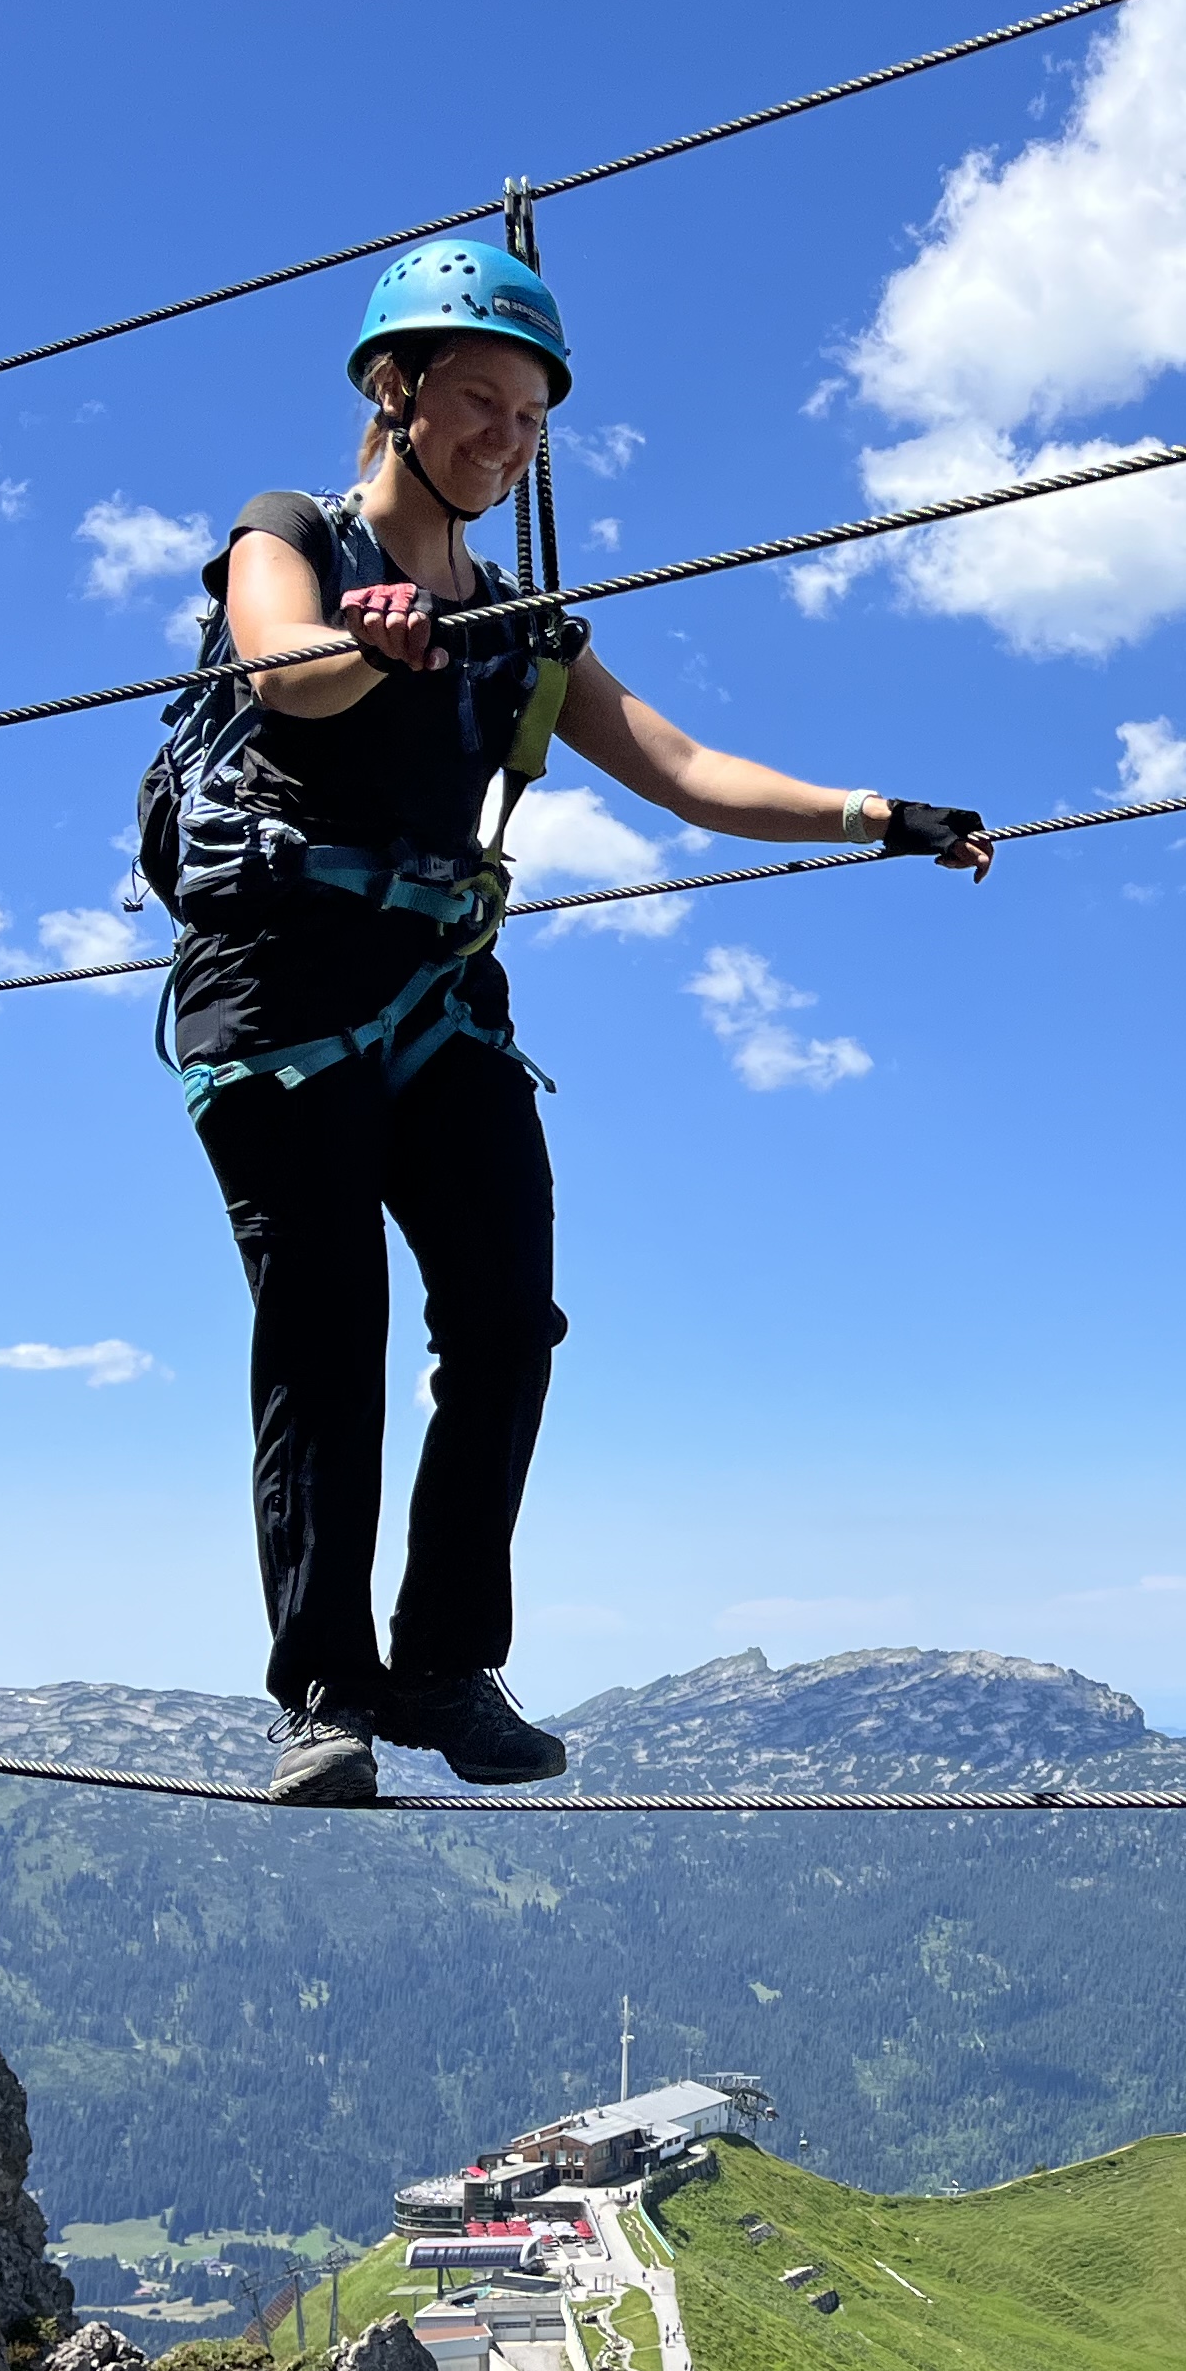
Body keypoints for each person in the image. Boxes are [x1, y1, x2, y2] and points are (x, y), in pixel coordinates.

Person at [151, 239, 986, 1804]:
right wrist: (366, 635)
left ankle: (447, 1666)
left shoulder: (526, 621)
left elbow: (679, 767)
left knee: (507, 1327)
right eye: (479, 402)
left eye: (530, 419)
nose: (505, 441)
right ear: (394, 393)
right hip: (277, 1004)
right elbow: (279, 670)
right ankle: (325, 1693)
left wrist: (884, 815)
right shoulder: (294, 536)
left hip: (437, 998)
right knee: (329, 1333)